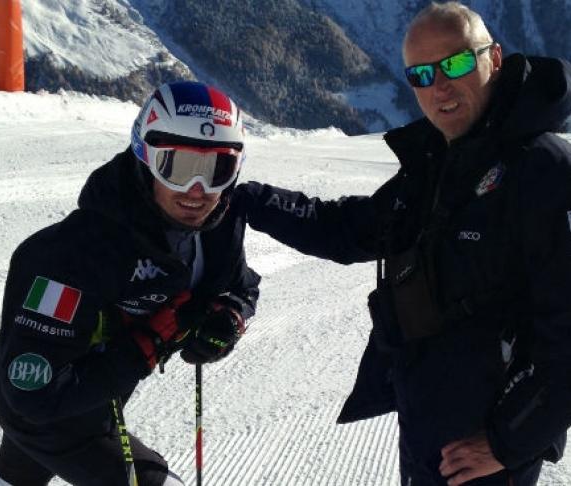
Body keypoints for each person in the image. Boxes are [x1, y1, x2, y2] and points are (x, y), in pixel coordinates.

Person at [236, 2, 571, 485]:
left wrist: (509, 442)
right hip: (426, 427)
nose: (439, 87)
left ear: (494, 59)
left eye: (456, 63)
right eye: (421, 74)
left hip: (484, 450)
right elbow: (350, 227)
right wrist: (247, 199)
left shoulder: (544, 172)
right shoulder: (439, 165)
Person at [0, 81, 260, 486]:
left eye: (218, 169)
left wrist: (229, 317)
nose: (197, 190)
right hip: (44, 416)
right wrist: (146, 346)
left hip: (99, 393)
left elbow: (240, 285)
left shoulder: (215, 227)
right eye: (177, 167)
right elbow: (33, 393)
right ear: (144, 158)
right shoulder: (70, 255)